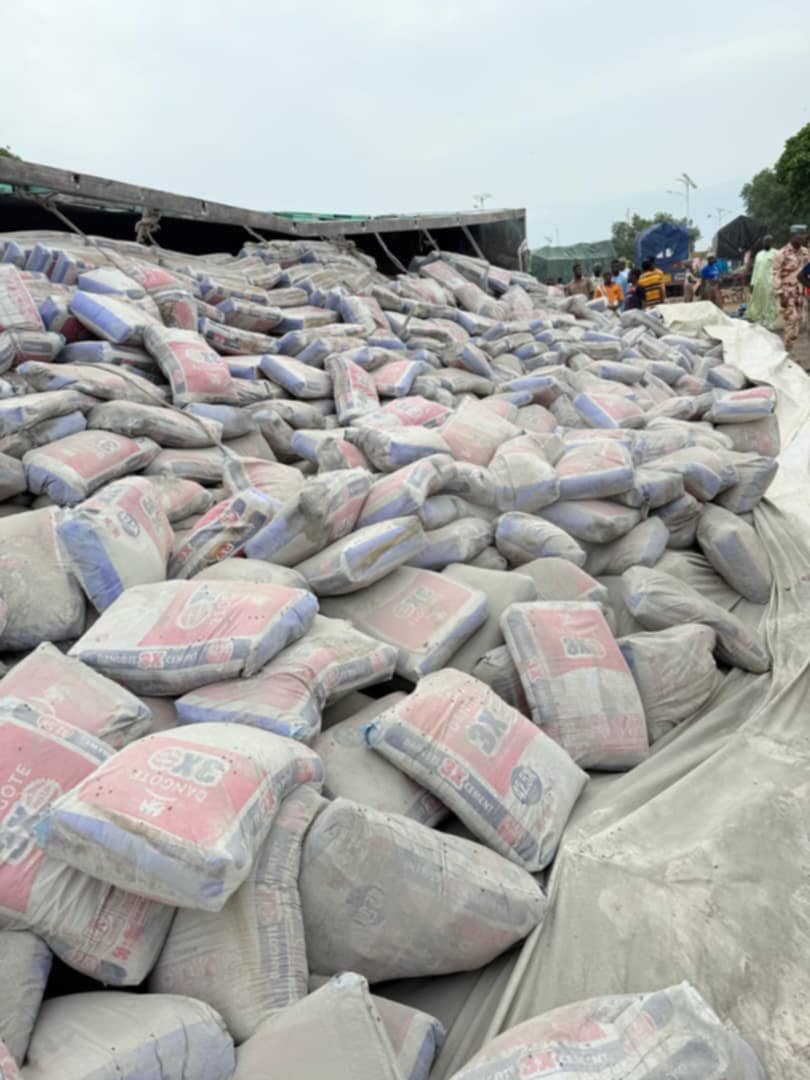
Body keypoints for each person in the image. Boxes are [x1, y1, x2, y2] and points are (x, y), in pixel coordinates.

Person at [774, 225, 810, 351]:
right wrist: (780, 294)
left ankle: (788, 344)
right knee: (791, 319)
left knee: (799, 321)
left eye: (804, 234)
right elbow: (776, 274)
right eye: (800, 234)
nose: (803, 237)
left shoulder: (806, 252)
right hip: (787, 293)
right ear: (793, 235)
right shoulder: (782, 253)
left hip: (801, 292)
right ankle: (785, 351)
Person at [746, 236, 779, 330]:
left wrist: (776, 281)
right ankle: (761, 320)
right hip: (758, 283)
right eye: (765, 241)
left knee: (770, 302)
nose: (766, 243)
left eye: (768, 241)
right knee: (759, 302)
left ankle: (770, 322)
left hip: (770, 282)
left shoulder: (776, 253)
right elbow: (755, 270)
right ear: (762, 243)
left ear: (771, 242)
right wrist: (752, 283)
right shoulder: (758, 255)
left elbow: (778, 268)